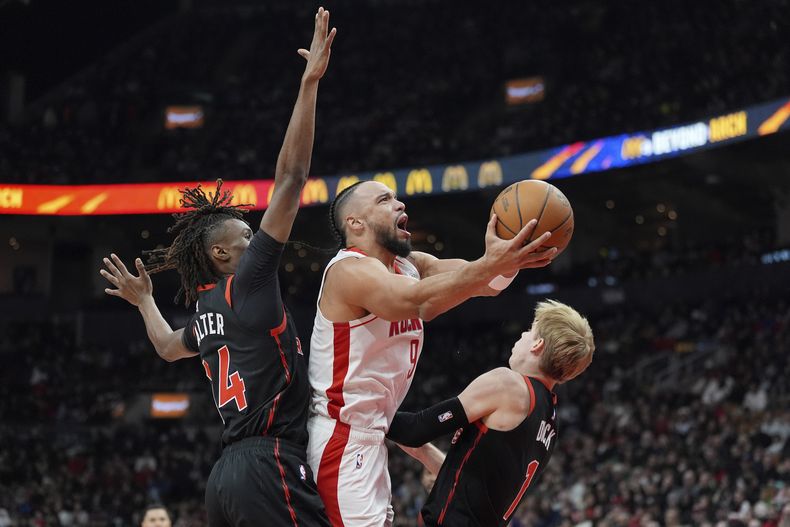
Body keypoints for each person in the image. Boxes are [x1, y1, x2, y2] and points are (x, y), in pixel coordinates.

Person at [100, 8, 336, 526]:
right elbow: (293, 178)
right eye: (245, 237)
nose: (255, 240)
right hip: (268, 464)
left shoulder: (208, 313)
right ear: (222, 255)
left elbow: (165, 347)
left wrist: (144, 301)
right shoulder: (248, 281)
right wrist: (309, 83)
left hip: (224, 478)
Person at [307, 178, 558, 526]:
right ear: (355, 223)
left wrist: (508, 257)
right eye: (384, 200)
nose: (400, 205)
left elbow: (484, 282)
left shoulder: (412, 265)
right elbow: (415, 301)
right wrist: (490, 264)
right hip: (341, 436)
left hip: (372, 438)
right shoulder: (349, 270)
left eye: (396, 198)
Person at [388, 300, 595, 526]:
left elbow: (415, 430)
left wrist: (357, 406)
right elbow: (475, 485)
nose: (523, 336)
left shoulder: (509, 384)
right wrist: (424, 452)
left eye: (529, 330)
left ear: (537, 345)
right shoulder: (549, 420)